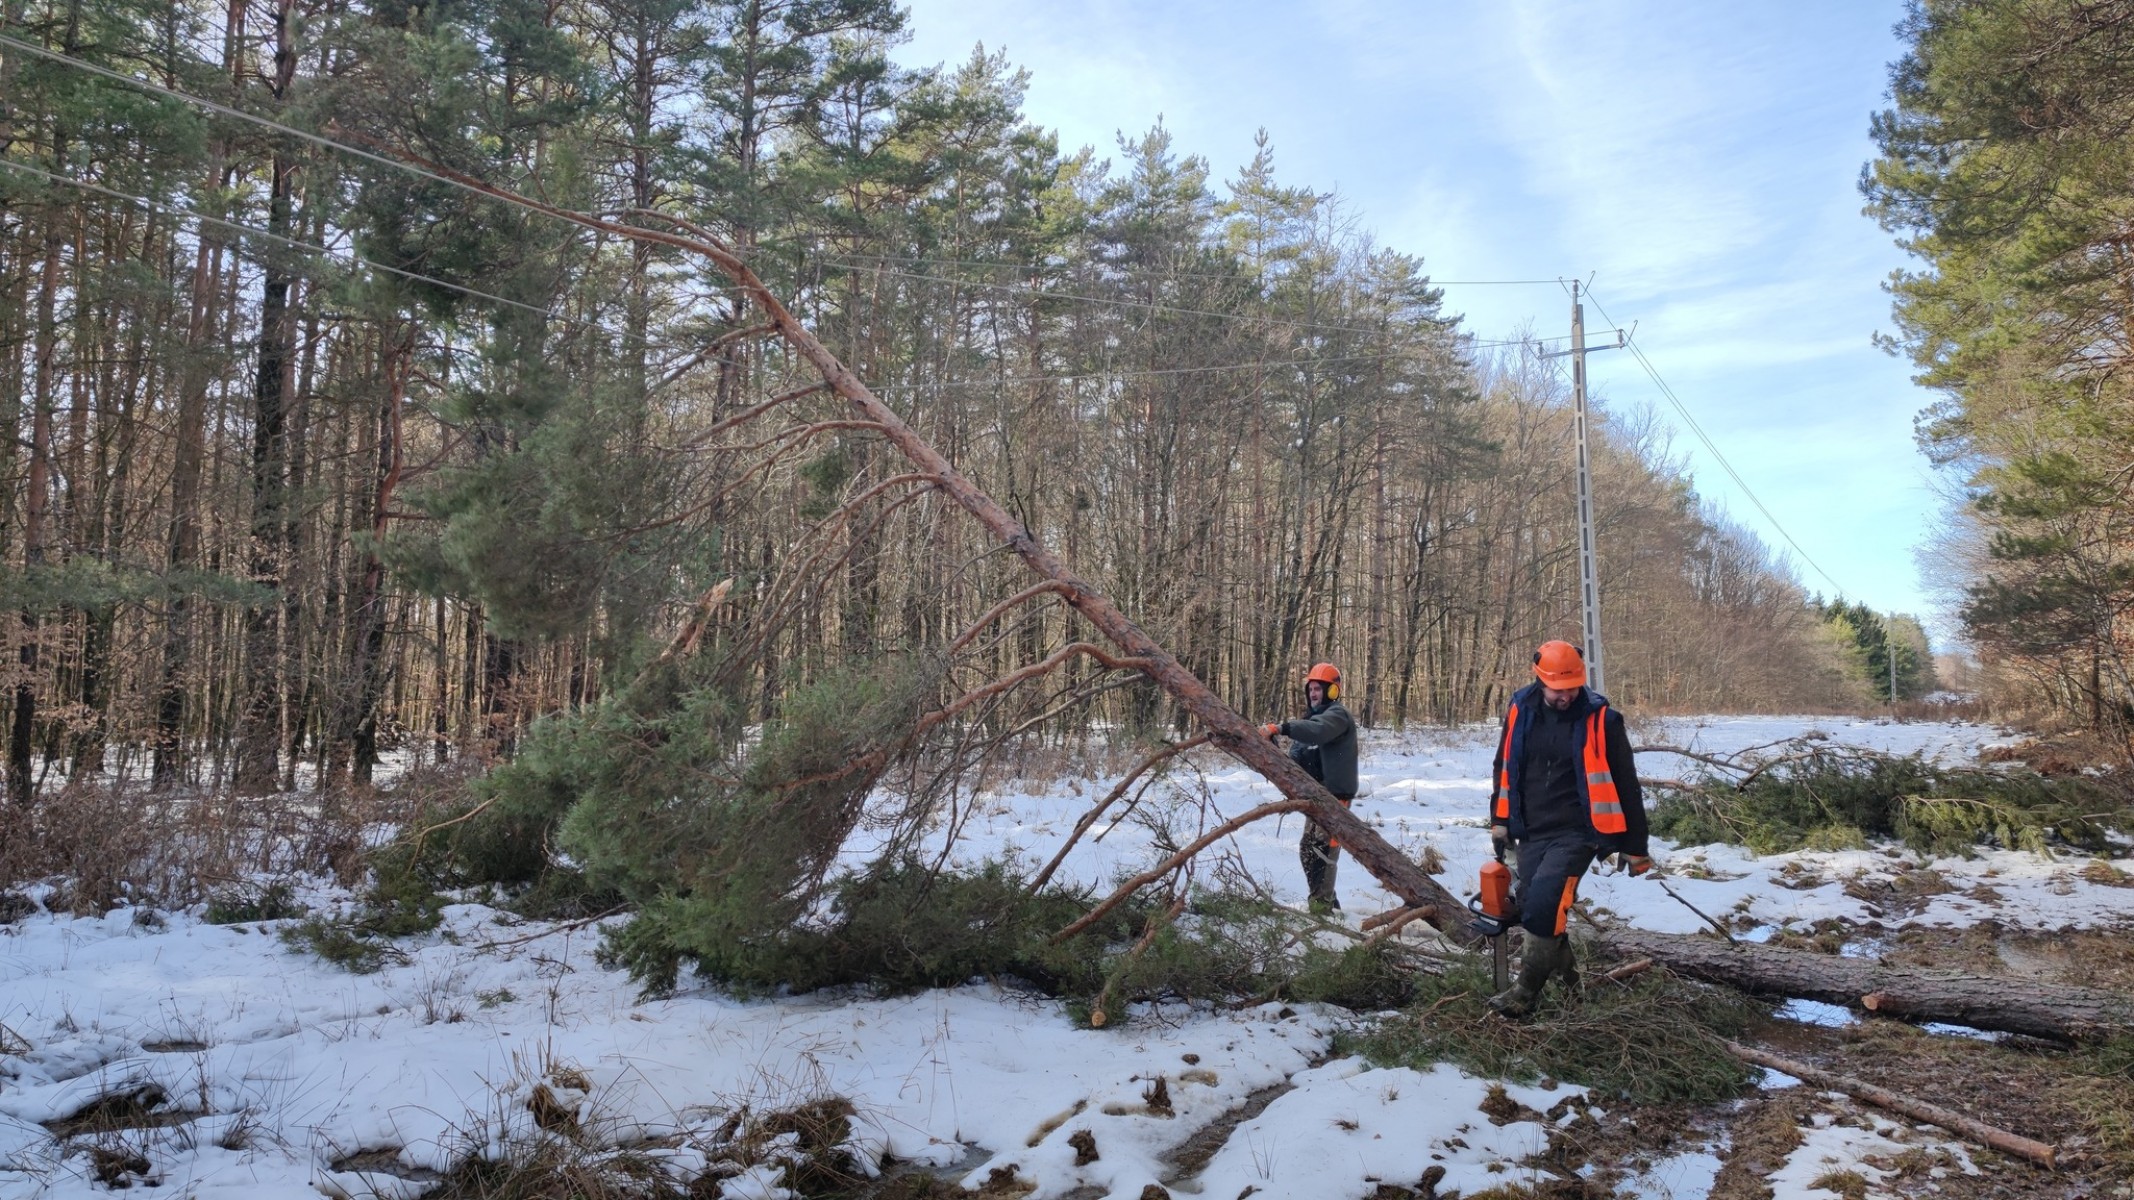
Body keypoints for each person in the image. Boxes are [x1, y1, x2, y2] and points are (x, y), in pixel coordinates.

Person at [1485, 640, 1653, 1016]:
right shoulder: (1520, 710)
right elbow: (1504, 766)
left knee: (1545, 904)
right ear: (1540, 681)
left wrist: (1636, 846)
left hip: (1579, 831)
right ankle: (1574, 996)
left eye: (1573, 687)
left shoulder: (1603, 719)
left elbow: (1627, 784)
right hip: (1531, 828)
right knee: (1534, 907)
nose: (1566, 696)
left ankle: (1524, 995)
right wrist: (1499, 820)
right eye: (1558, 690)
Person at [1263, 662, 1357, 914]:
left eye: (1319, 689)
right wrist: (1273, 749)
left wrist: (1281, 728)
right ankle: (1326, 900)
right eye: (1311, 689)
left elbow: (1318, 731)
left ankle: (1322, 908)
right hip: (1316, 797)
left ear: (1333, 691)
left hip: (1336, 798)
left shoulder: (1338, 716)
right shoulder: (1309, 722)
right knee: (1308, 848)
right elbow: (1295, 762)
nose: (1314, 694)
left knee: (1324, 852)